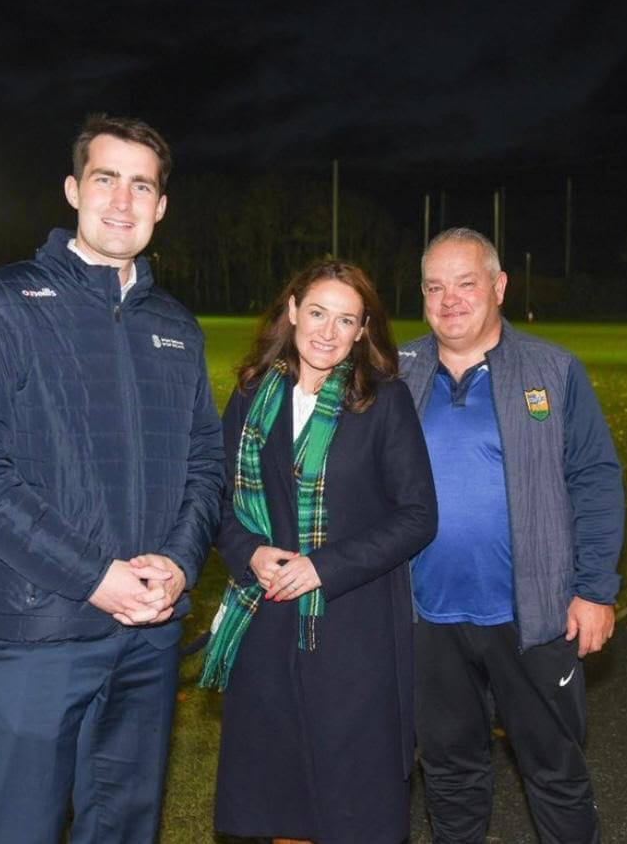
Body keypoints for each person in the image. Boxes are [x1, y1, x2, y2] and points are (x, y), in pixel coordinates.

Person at [0, 114, 224, 843]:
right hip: (38, 630)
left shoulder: (177, 328)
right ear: (72, 190)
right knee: (22, 828)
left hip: (149, 635)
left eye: (141, 185)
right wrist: (93, 575)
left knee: (124, 827)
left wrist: (181, 564)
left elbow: (204, 465)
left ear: (160, 206)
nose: (121, 201)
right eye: (105, 179)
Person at [398, 228, 624, 843]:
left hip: (534, 617)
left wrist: (596, 588)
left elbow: (596, 479)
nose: (450, 300)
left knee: (554, 770)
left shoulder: (552, 369)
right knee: (449, 773)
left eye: (466, 284)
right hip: (426, 618)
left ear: (498, 286)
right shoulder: (395, 373)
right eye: (434, 287)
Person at [202, 259, 438, 844]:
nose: (328, 332)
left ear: (363, 331)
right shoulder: (253, 393)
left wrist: (322, 568)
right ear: (291, 311)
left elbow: (418, 516)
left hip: (353, 632)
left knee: (351, 802)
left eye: (346, 319)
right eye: (317, 313)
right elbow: (217, 499)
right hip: (266, 625)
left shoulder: (385, 401)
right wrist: (250, 553)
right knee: (280, 796)